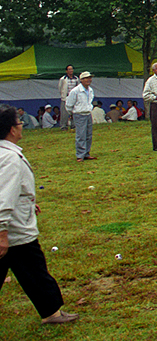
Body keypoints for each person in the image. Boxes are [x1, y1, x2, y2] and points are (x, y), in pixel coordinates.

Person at [0, 104, 80, 324]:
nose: (21, 126)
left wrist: (27, 204)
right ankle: (51, 312)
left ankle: (51, 311)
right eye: (18, 123)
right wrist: (2, 232)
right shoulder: (9, 159)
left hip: (14, 224)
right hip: (14, 231)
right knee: (34, 270)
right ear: (11, 129)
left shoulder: (6, 155)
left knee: (33, 270)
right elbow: (4, 197)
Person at [65, 71, 96, 162]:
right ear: (81, 80)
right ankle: (80, 155)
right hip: (79, 114)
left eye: (90, 78)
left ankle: (86, 153)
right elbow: (69, 104)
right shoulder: (75, 91)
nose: (89, 80)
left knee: (88, 135)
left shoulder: (90, 90)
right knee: (81, 135)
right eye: (86, 78)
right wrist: (73, 113)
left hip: (87, 113)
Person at [57, 65, 77, 131]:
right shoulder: (63, 79)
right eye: (69, 69)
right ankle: (63, 126)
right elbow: (60, 88)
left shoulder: (76, 79)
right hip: (66, 97)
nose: (70, 71)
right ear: (66, 71)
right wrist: (63, 95)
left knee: (74, 112)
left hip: (73, 98)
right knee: (64, 113)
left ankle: (73, 125)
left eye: (71, 69)